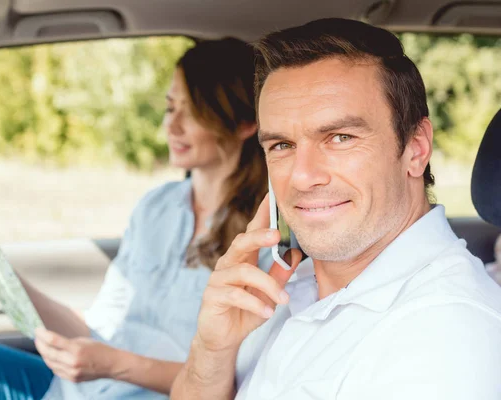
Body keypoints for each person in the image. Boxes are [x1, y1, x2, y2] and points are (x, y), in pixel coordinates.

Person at [0, 37, 271, 400]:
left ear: (243, 124)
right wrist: (7, 283)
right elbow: (96, 331)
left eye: (193, 111)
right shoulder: (156, 207)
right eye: (171, 107)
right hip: (76, 388)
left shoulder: (263, 236)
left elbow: (235, 381)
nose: (171, 126)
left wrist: (116, 365)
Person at [171, 18, 501, 400]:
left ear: (416, 147)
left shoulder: (445, 338)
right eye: (281, 145)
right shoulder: (286, 286)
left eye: (340, 138)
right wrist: (212, 351)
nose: (302, 176)